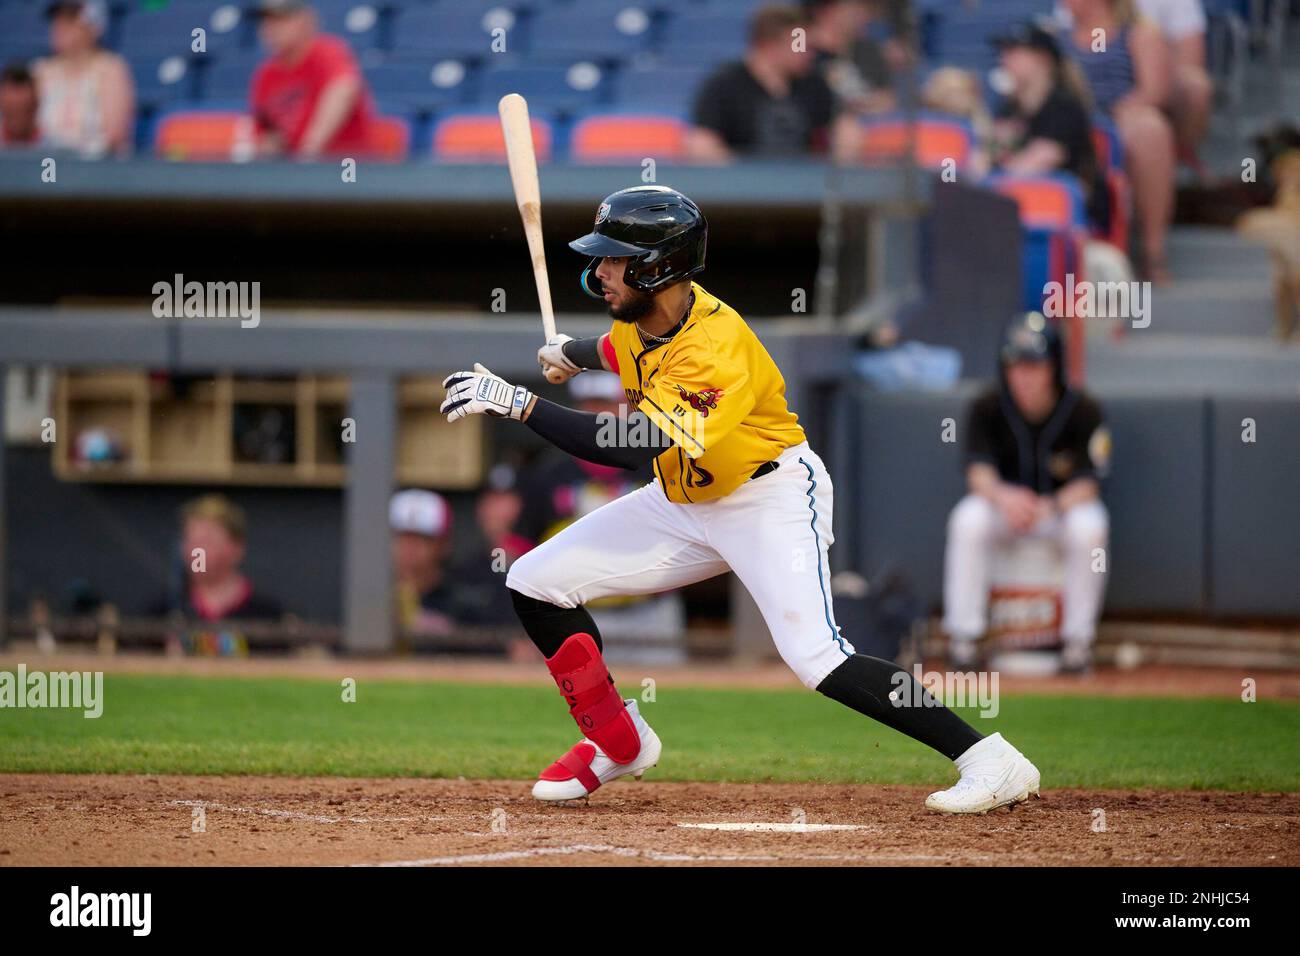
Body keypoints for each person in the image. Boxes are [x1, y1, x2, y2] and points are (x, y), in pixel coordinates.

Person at [440, 184, 1041, 813]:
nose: (600, 272)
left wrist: (522, 402)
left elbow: (626, 443)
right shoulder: (647, 318)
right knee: (535, 580)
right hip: (683, 498)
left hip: (768, 498)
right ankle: (617, 741)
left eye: (616, 260)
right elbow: (619, 351)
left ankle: (989, 759)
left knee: (816, 657)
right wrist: (571, 354)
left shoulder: (713, 345)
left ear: (660, 266)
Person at [943, 312, 1111, 675]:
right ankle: (964, 639)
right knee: (968, 518)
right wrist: (1005, 498)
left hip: (1057, 512)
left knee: (1090, 526)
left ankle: (1077, 645)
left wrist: (1051, 505)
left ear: (1053, 367)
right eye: (1016, 366)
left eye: (1034, 366)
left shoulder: (1084, 409)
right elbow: (978, 472)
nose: (1024, 376)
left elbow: (1089, 481)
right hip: (1007, 510)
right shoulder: (986, 405)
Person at [513, 372, 688, 665]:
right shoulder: (549, 474)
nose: (595, 414)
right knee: (589, 693)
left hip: (651, 609)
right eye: (587, 404)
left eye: (605, 404)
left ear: (627, 407)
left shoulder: (655, 462)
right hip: (579, 610)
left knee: (668, 694)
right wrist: (521, 622)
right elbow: (519, 547)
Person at [1060, 0, 1175, 282]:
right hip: (1069, 121)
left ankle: (1152, 251)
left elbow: (1153, 93)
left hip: (1117, 120)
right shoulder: (1055, 37)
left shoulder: (1139, 34)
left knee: (1150, 129)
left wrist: (1114, 117)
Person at [686, 4, 860, 162]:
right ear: (769, 44)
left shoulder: (813, 84)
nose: (808, 53)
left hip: (804, 187)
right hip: (744, 190)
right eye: (799, 45)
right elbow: (702, 144)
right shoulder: (724, 85)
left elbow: (844, 129)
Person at [990, 22, 1109, 237]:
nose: (1004, 60)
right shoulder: (1007, 110)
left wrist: (988, 182)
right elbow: (983, 160)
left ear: (1043, 59)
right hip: (1021, 219)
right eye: (1004, 52)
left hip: (1072, 229)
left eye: (1014, 52)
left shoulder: (1064, 107)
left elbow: (1033, 166)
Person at [150, 494, 285, 655]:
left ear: (237, 548)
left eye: (207, 540)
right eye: (192, 540)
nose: (197, 551)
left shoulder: (268, 617)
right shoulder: (162, 613)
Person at [250, 0, 376, 159]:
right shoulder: (266, 73)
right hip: (296, 174)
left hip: (344, 169)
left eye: (281, 19)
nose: (271, 28)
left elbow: (344, 88)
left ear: (306, 19)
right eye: (266, 21)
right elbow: (268, 135)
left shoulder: (327, 52)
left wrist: (309, 150)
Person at [32, 0, 134, 157]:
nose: (59, 27)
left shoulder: (111, 69)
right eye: (57, 19)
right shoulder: (40, 71)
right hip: (46, 166)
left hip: (96, 171)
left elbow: (114, 137)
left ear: (94, 27)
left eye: (70, 20)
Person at [1135, 0, 1212, 166]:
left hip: (1155, 85)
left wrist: (1151, 89)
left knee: (1195, 85)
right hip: (1095, 88)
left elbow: (1190, 62)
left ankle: (1178, 163)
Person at [805, 0, 896, 115]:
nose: (866, 15)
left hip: (866, 125)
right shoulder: (802, 50)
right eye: (858, 6)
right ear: (829, 9)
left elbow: (887, 100)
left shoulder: (868, 49)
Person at [1, 63, 41, 147]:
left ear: (36, 104)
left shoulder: (55, 151)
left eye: (25, 110)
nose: (17, 121)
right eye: (10, 111)